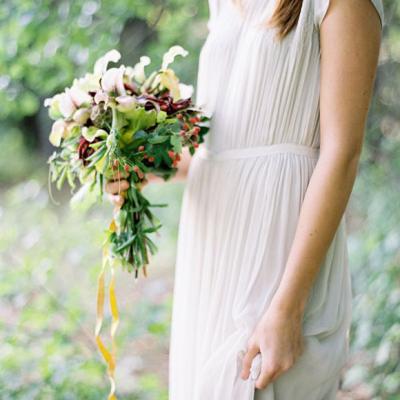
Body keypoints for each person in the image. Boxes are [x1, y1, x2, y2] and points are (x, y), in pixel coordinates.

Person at [106, 0, 384, 398]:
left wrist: (288, 306)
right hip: (211, 248)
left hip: (279, 242)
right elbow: (218, 147)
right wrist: (144, 161)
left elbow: (342, 154)